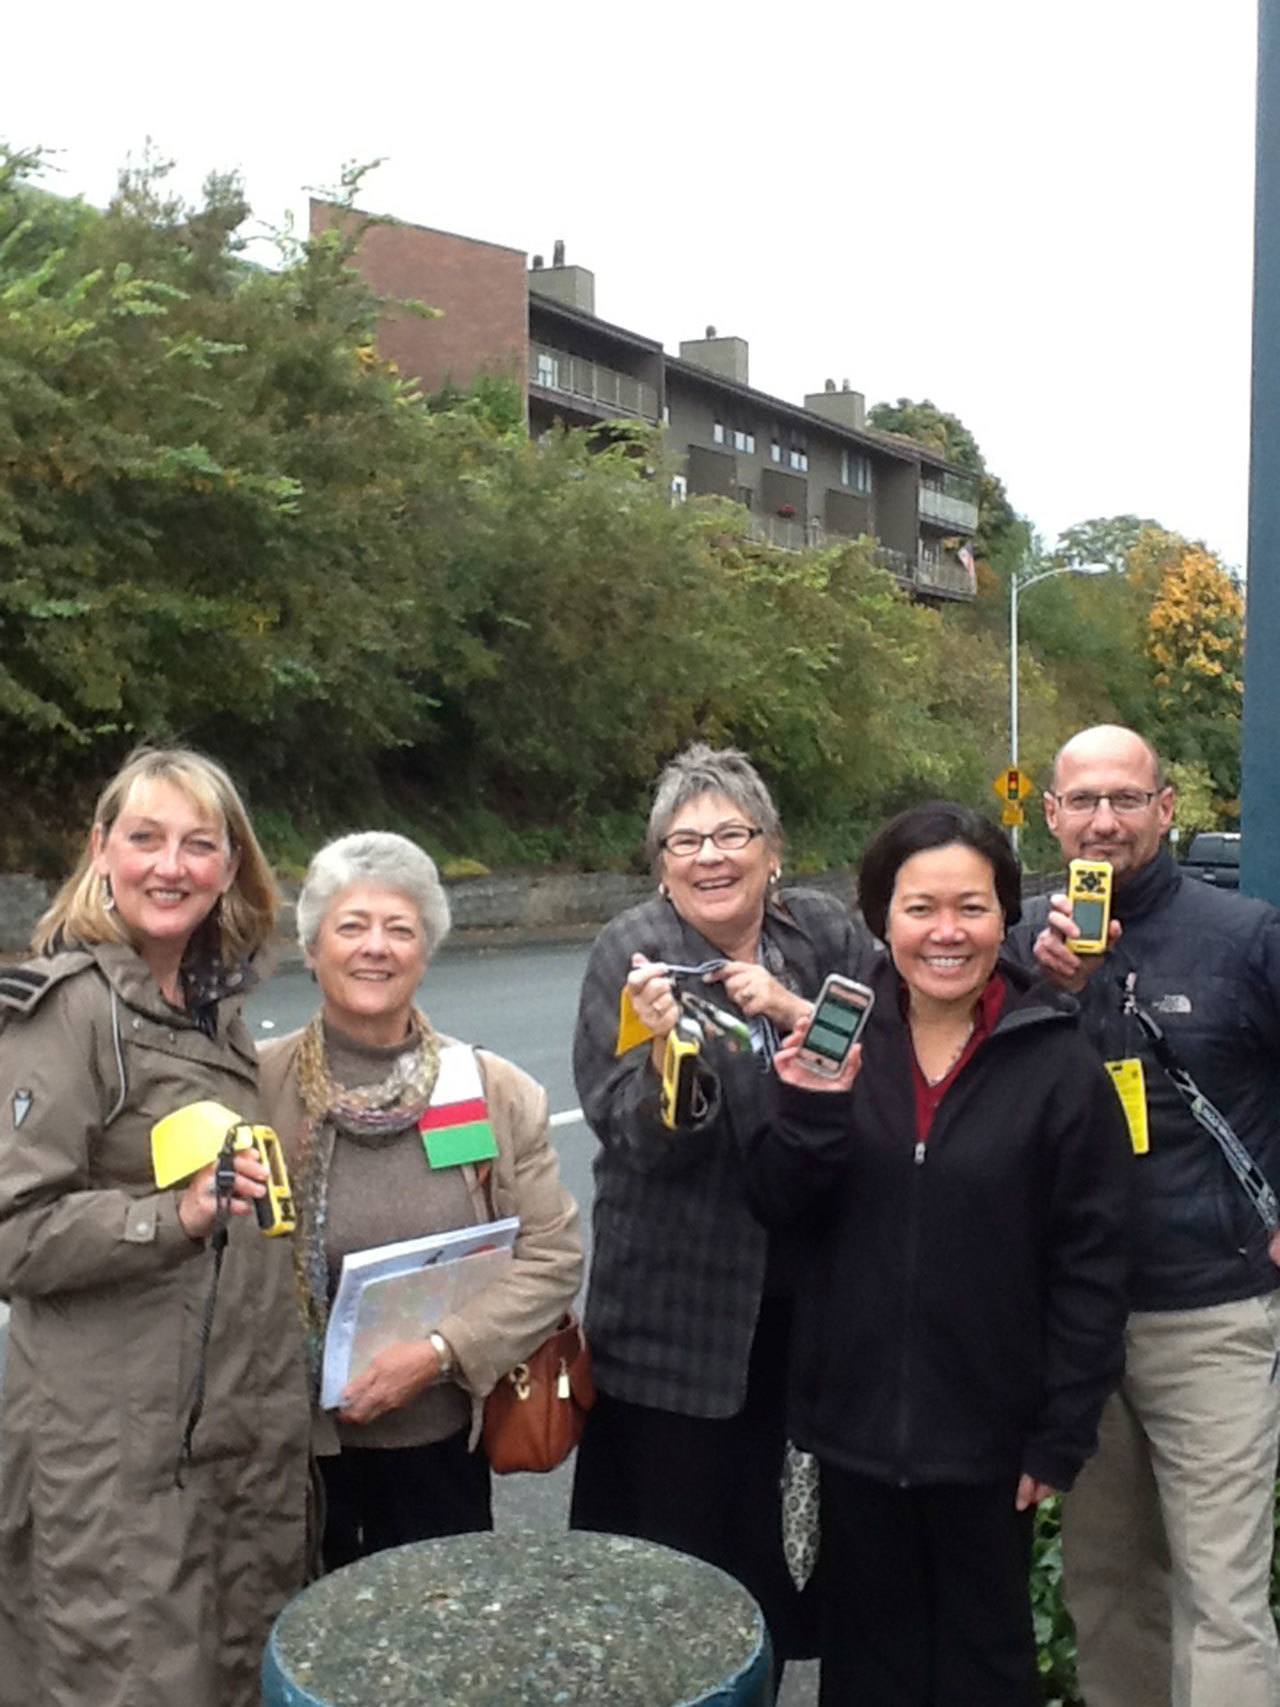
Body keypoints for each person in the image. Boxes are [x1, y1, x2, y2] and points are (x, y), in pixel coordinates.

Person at [743, 800, 1130, 1707]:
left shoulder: (1057, 1063)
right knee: (867, 1675)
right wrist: (807, 1110)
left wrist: (1062, 1427)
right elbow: (777, 1209)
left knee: (983, 1672)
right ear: (882, 917)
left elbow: (1094, 1260)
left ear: (1008, 916)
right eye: (920, 907)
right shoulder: (838, 1042)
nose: (946, 932)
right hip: (854, 1434)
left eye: (973, 906)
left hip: (990, 1445)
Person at [0, 746, 308, 1707]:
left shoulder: (209, 1007)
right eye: (145, 838)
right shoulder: (68, 1007)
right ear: (101, 850)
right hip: (112, 1453)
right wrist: (168, 1216)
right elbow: (13, 1231)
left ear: (230, 867)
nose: (170, 865)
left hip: (216, 1434)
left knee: (228, 1672)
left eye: (198, 844)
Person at [569, 742, 874, 1669]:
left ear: (772, 848)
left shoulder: (821, 933)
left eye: (731, 833)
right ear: (661, 864)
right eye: (685, 840)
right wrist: (674, 1062)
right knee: (668, 1589)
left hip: (811, 1315)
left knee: (790, 1574)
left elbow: (887, 1043)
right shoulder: (635, 953)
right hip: (677, 1327)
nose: (711, 856)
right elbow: (632, 1132)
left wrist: (786, 1008)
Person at [1005, 724, 1280, 1707]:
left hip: (1209, 1312)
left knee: (1222, 1595)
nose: (1103, 821)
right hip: (1074, 1324)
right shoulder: (1015, 947)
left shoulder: (1241, 938)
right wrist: (1047, 989)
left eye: (1125, 800)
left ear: (1164, 810)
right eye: (1081, 801)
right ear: (1050, 815)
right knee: (1106, 1584)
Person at [258, 831, 582, 1570]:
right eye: (352, 926)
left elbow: (553, 1256)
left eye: (399, 928)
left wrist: (441, 1353)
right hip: (290, 1448)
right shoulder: (252, 1088)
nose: (376, 946)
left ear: (424, 952)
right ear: (311, 949)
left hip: (441, 1447)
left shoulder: (493, 1091)